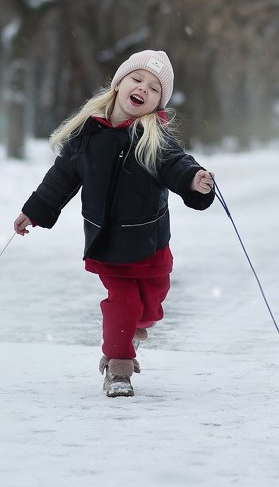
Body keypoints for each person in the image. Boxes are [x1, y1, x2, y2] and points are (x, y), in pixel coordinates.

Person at [13, 49, 215, 397]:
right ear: (119, 84)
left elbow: (177, 164)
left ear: (157, 103)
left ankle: (129, 328)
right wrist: (35, 210)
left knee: (152, 304)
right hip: (108, 241)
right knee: (124, 304)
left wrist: (194, 179)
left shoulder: (153, 138)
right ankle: (118, 367)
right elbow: (60, 179)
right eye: (137, 80)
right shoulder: (88, 136)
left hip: (151, 241)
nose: (143, 89)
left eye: (154, 89)